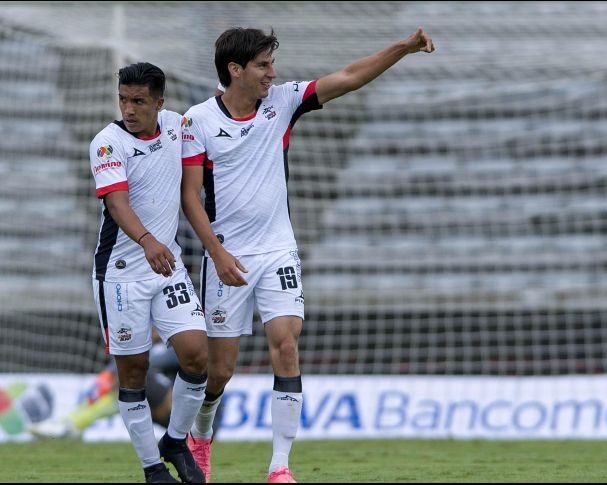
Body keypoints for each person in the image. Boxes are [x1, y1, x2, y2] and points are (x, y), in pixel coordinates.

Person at [180, 27, 435, 483]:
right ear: (235, 70)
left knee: (287, 346)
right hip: (227, 259)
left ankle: (279, 467)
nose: (272, 73)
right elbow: (191, 196)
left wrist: (404, 47)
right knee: (218, 373)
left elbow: (350, 76)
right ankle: (200, 436)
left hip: (279, 250)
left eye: (271, 64)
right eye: (262, 65)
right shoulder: (197, 121)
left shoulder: (282, 102)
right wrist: (215, 253)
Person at [89, 62, 210, 484]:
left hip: (167, 264)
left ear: (159, 102)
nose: (129, 109)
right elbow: (118, 205)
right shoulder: (107, 143)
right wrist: (147, 241)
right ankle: (152, 468)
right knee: (134, 372)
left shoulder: (179, 126)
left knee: (197, 354)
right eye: (123, 99)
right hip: (121, 272)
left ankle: (175, 441)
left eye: (139, 101)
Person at [28, 337, 225, 442]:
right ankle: (72, 423)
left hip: (202, 423)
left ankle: (72, 424)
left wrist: (111, 372)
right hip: (178, 417)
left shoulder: (187, 343)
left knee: (135, 374)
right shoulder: (169, 342)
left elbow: (151, 360)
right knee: (129, 378)